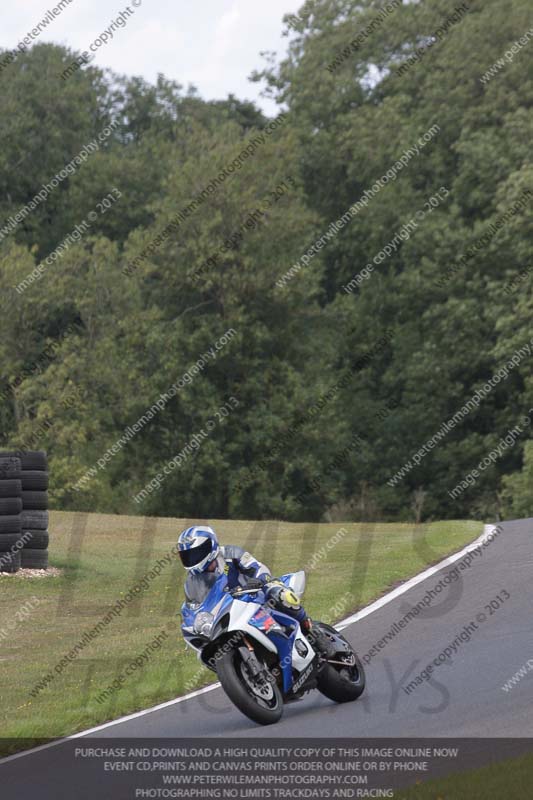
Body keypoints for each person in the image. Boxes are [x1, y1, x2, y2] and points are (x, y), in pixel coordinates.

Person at [177, 524, 333, 657]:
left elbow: (257, 566)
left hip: (255, 595)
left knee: (279, 594)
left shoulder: (230, 554)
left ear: (210, 546)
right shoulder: (192, 580)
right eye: (187, 556)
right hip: (231, 612)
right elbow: (194, 603)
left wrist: (261, 580)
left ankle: (313, 631)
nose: (192, 559)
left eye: (196, 553)